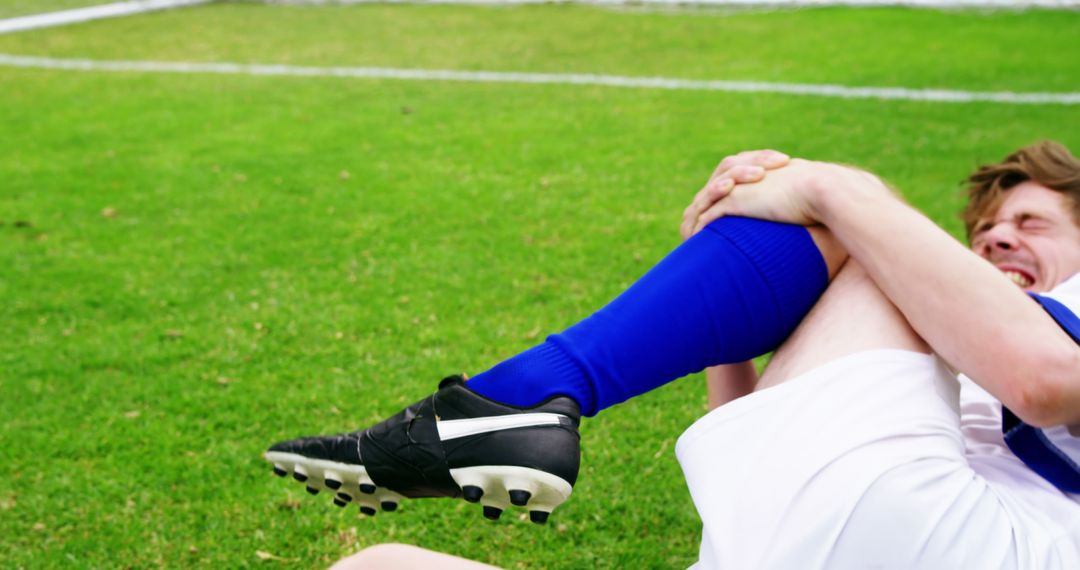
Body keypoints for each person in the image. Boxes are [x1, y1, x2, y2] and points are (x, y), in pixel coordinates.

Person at [266, 142, 1080, 569]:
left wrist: (836, 191)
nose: (998, 236)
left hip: (968, 546)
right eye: (986, 229)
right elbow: (761, 473)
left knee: (865, 229)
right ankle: (515, 405)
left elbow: (1043, 378)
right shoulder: (927, 359)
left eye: (1032, 224)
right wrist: (724, 322)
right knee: (378, 568)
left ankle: (517, 399)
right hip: (790, 549)